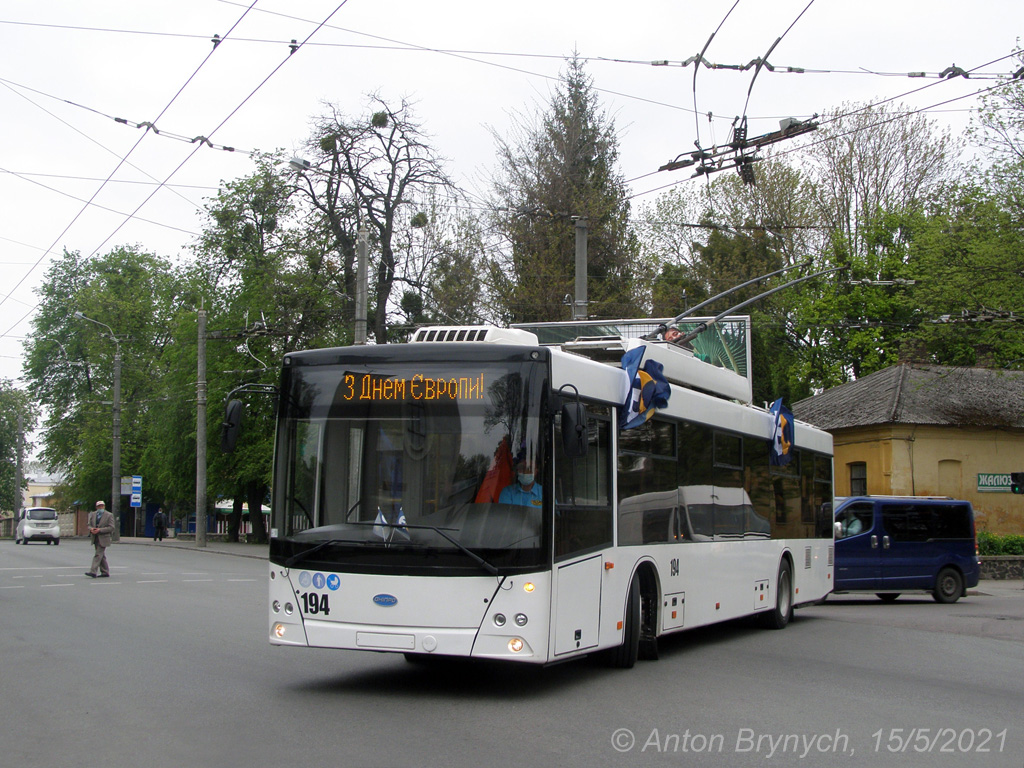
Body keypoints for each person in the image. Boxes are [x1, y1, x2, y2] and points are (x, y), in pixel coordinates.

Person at [85, 500, 114, 578]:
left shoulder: (109, 515)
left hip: (104, 538)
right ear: (96, 507)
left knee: (98, 555)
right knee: (101, 555)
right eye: (99, 506)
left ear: (104, 506)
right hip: (95, 537)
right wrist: (91, 529)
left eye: (102, 506)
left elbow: (111, 527)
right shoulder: (93, 514)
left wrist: (100, 530)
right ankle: (105, 571)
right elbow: (89, 525)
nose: (100, 507)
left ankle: (93, 571)